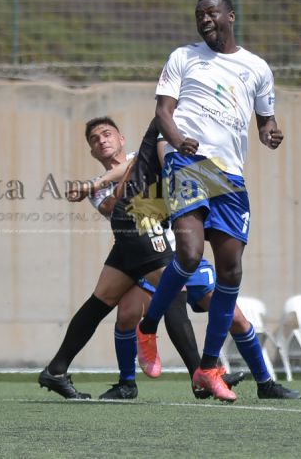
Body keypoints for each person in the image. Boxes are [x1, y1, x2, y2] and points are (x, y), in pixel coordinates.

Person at [135, 0, 291, 402]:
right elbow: (163, 112)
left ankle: (207, 368)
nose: (204, 19)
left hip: (231, 175)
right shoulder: (183, 57)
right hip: (190, 160)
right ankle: (147, 328)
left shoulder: (256, 67)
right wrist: (179, 139)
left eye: (212, 12)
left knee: (231, 272)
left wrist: (270, 133)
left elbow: (265, 121)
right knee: (188, 253)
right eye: (199, 14)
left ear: (230, 17)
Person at [38, 117, 246, 401]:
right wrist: (102, 182)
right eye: (95, 139)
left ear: (122, 139)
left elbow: (190, 176)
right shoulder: (159, 132)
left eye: (107, 134)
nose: (102, 140)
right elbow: (115, 203)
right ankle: (200, 376)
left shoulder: (142, 155)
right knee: (173, 292)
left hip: (138, 232)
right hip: (137, 223)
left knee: (101, 301)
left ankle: (56, 369)